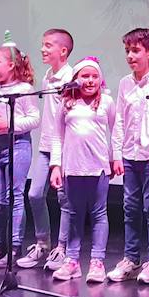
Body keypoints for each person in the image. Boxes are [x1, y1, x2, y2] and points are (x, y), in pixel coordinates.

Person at [48, 57, 116, 283]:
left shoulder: (106, 102)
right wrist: (56, 165)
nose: (90, 80)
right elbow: (57, 136)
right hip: (72, 168)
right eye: (85, 76)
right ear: (75, 79)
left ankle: (97, 262)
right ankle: (72, 261)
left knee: (99, 214)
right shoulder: (66, 103)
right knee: (75, 214)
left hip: (98, 168)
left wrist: (116, 158)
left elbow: (116, 131)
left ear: (100, 79)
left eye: (94, 76)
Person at [108, 27, 149, 285]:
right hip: (130, 154)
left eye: (136, 50)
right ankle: (131, 258)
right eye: (127, 51)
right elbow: (120, 119)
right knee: (130, 208)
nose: (130, 55)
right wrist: (117, 153)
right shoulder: (124, 83)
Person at [0, 34, 40, 266]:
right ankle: (2, 247)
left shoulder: (24, 89)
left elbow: (34, 119)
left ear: (11, 65)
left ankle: (15, 247)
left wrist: (10, 125)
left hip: (19, 145)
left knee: (15, 196)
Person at [17, 28, 74, 268]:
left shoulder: (72, 77)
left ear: (63, 51)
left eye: (48, 45)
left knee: (64, 198)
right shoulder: (47, 76)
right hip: (46, 144)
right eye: (43, 44)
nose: (42, 49)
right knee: (34, 193)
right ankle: (43, 243)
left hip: (66, 147)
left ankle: (62, 248)